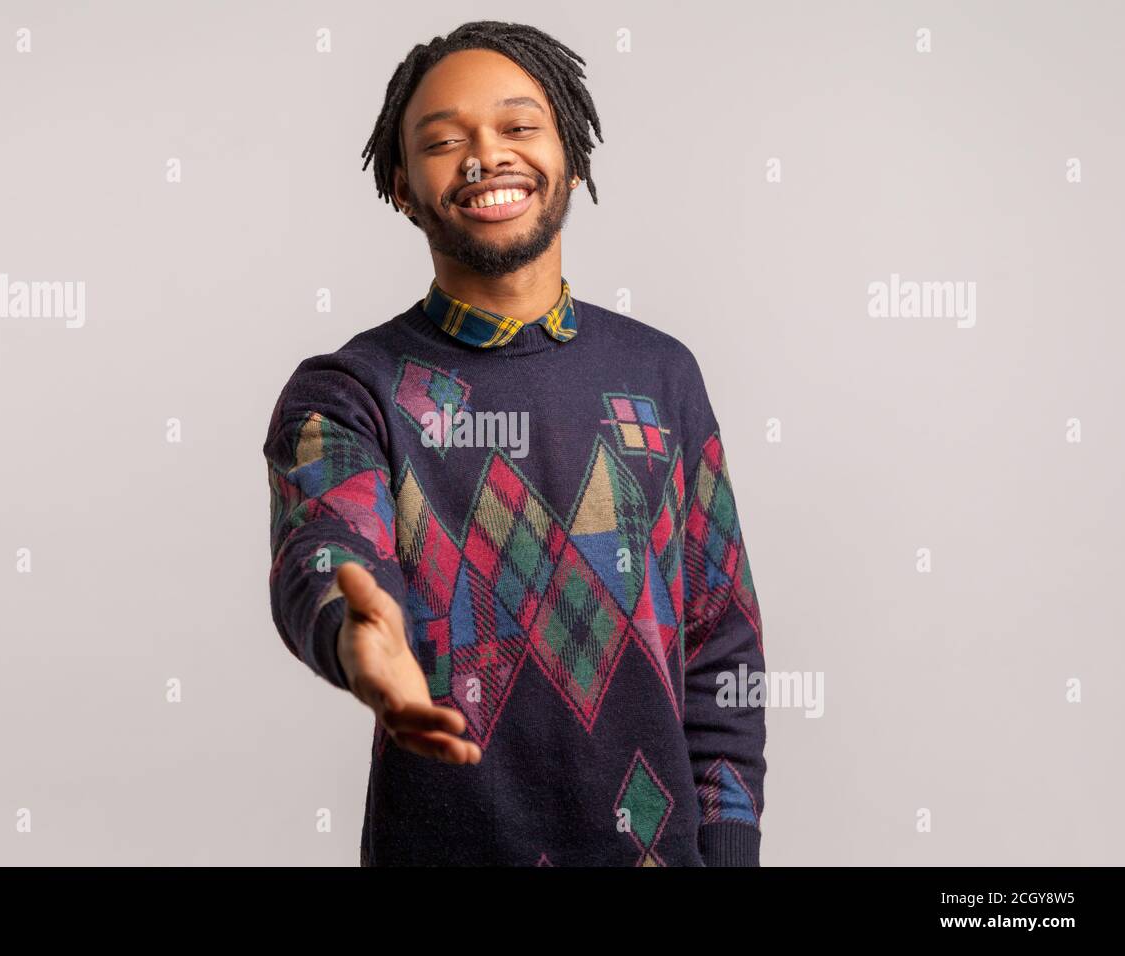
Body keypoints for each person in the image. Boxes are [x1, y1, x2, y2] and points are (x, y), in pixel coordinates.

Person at [264, 20, 766, 866]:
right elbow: (326, 543)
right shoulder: (350, 391)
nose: (484, 156)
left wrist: (731, 851)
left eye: (519, 127)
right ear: (399, 185)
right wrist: (354, 632)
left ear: (569, 156)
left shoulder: (660, 377)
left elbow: (722, 648)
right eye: (443, 140)